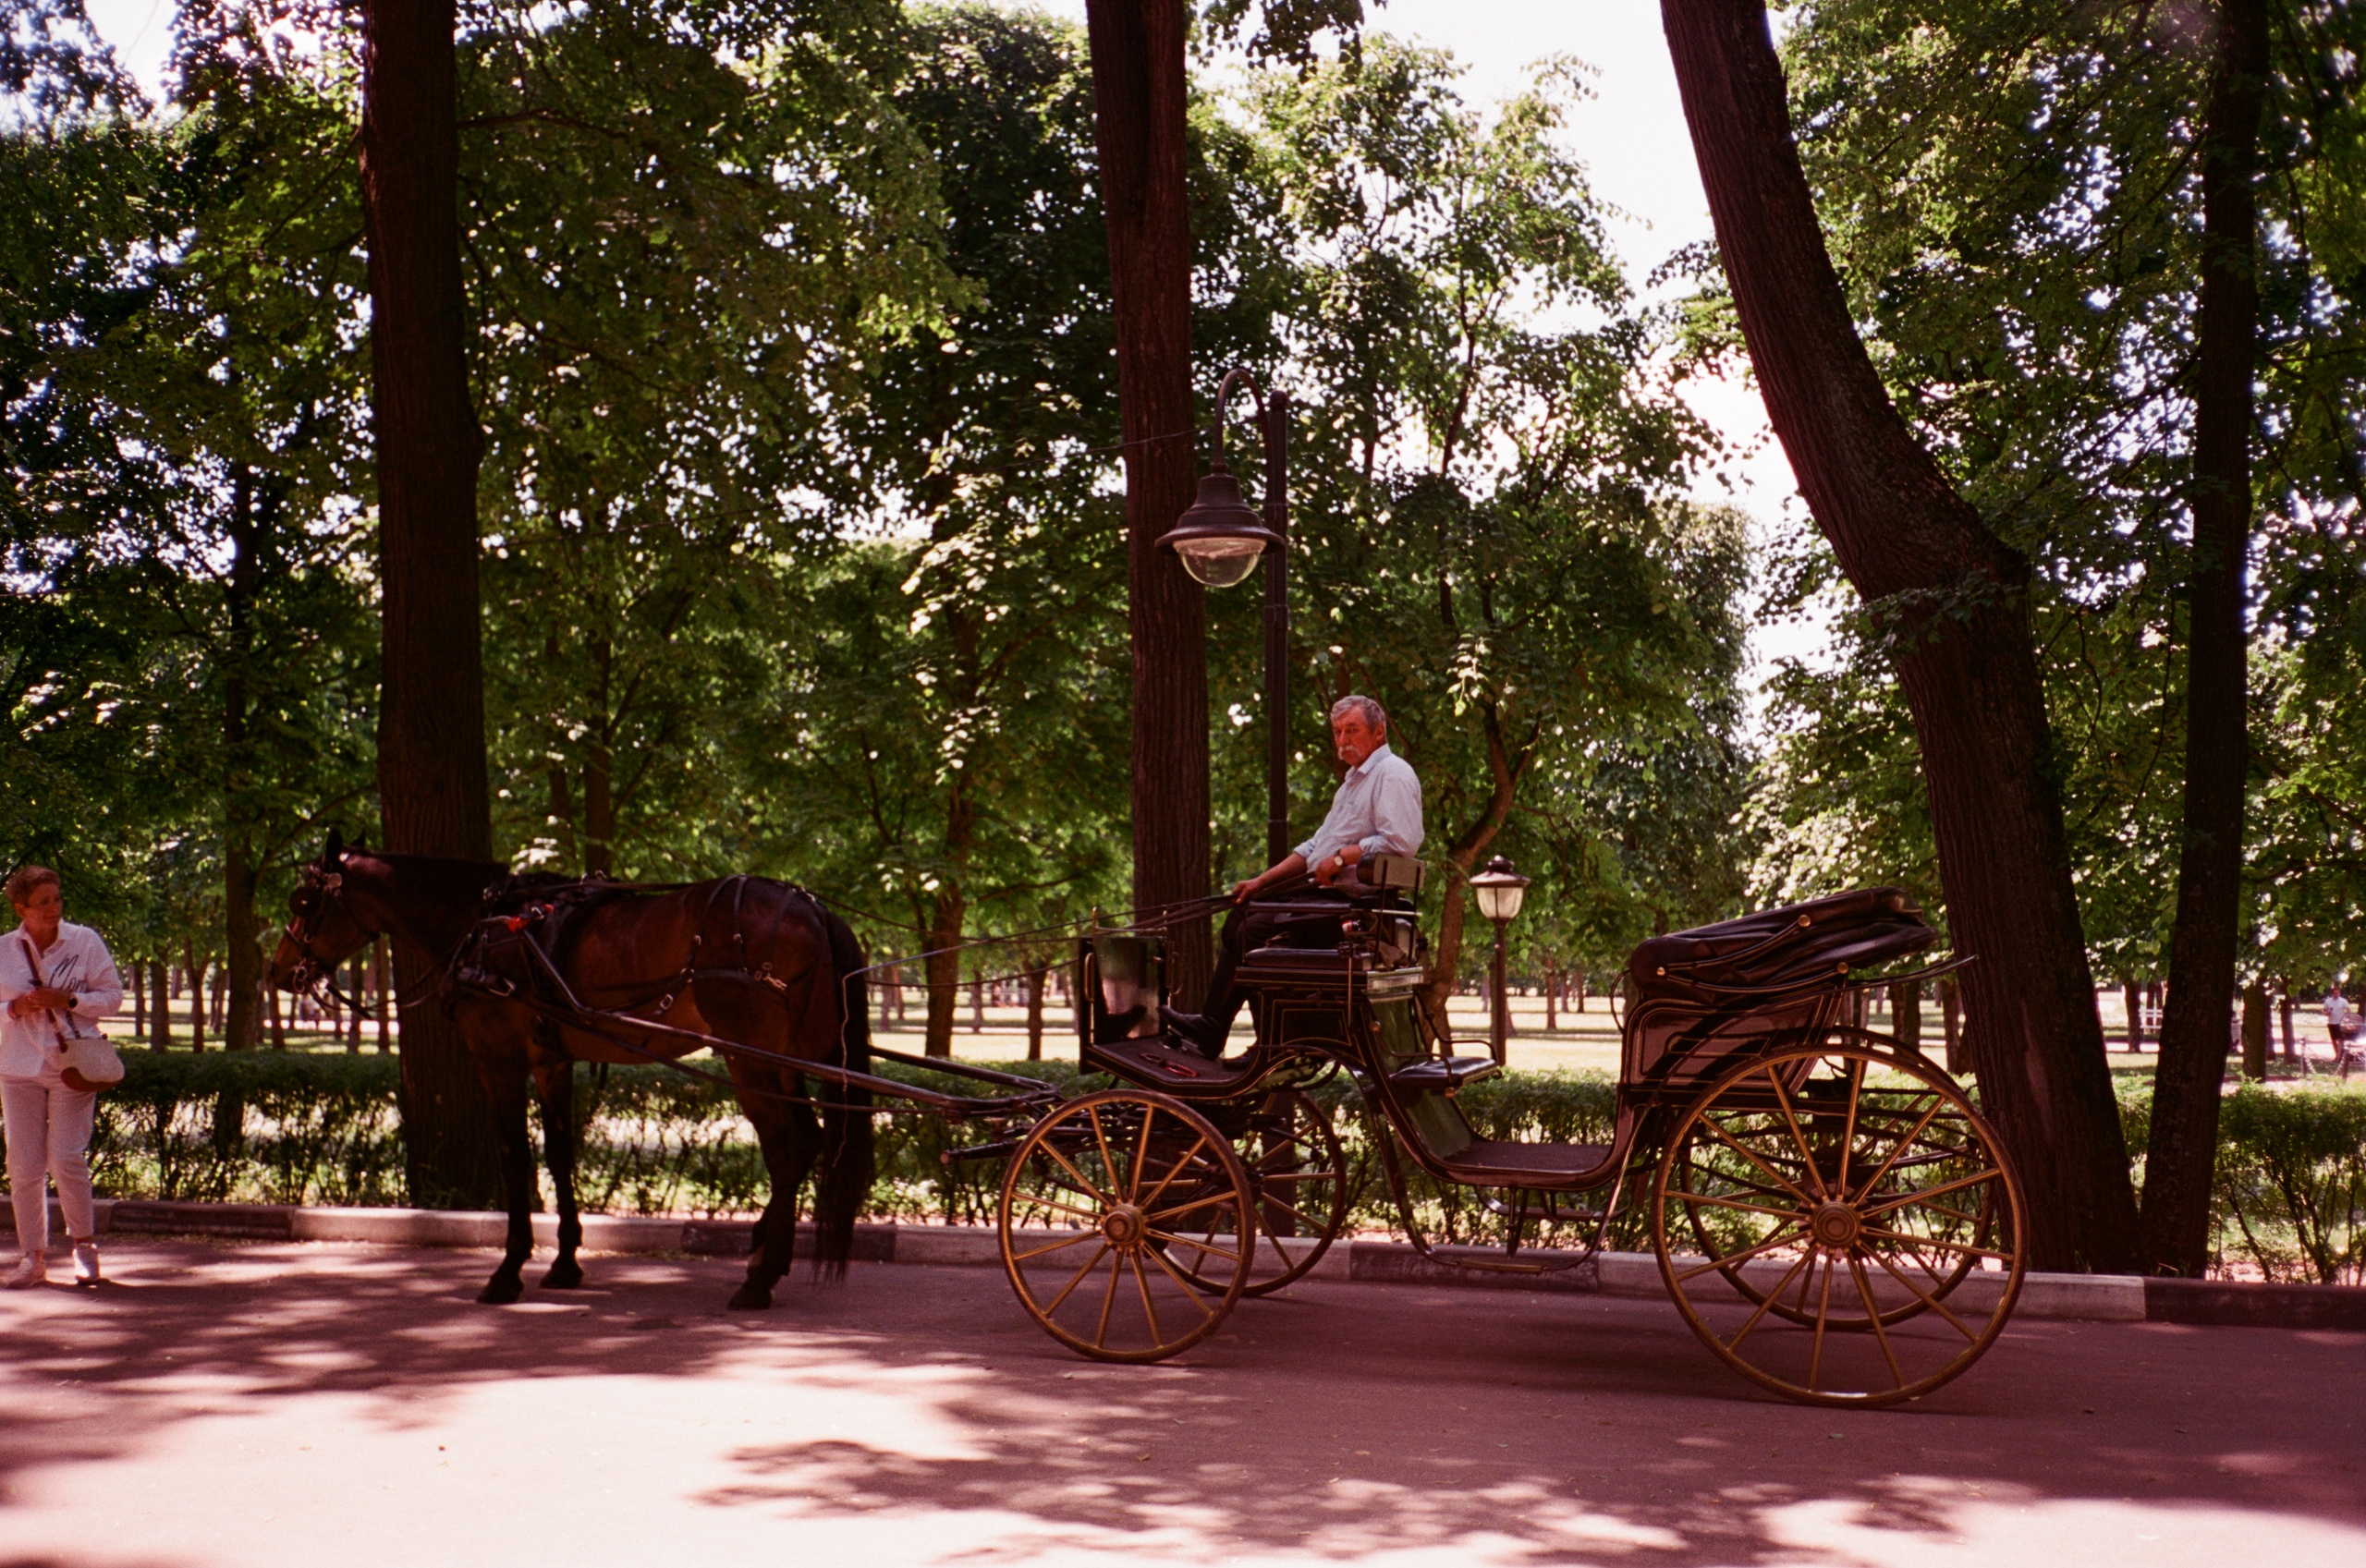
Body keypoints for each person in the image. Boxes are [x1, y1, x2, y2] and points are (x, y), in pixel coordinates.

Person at [1165, 694, 1423, 1055]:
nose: (1343, 739)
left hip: (1354, 911)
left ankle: (1268, 1043)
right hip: (1327, 899)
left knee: (1252, 929)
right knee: (1241, 914)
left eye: (1352, 730)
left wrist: (1341, 859)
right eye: (1337, 732)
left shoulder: (1392, 774)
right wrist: (1260, 882)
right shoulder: (1353, 781)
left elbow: (1401, 842)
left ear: (1379, 732)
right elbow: (1314, 847)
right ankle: (1214, 1028)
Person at [1, 866, 123, 1288]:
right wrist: (15, 1009)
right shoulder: (3, 950)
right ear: (21, 908)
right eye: (43, 902)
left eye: (57, 899)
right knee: (24, 1164)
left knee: (66, 1157)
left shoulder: (84, 941)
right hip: (18, 1068)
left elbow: (113, 998)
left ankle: (84, 1248)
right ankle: (31, 1257)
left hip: (74, 1064)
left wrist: (67, 1000)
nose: (54, 908)